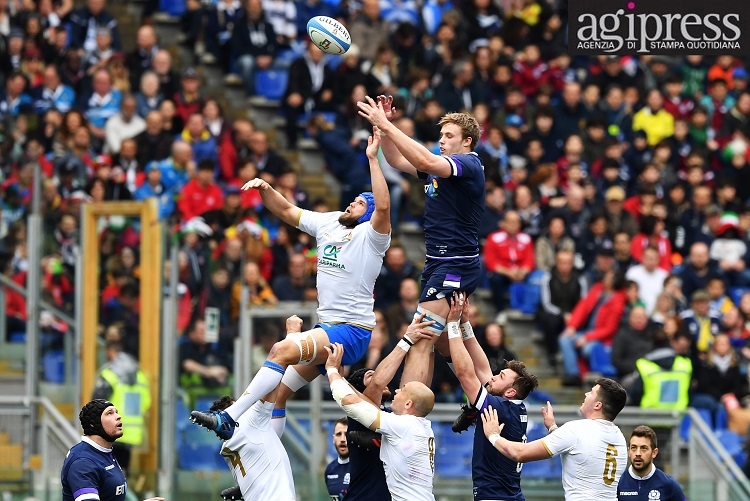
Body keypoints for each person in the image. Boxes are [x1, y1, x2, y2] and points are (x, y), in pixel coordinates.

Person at [190, 127, 391, 439]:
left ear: (369, 217)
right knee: (277, 394)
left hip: (350, 332)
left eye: (361, 204)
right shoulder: (330, 222)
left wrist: (372, 159)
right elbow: (285, 210)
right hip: (329, 328)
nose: (353, 204)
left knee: (280, 350)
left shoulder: (371, 238)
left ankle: (229, 416)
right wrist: (266, 188)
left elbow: (384, 207)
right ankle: (269, 456)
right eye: (354, 200)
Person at [357, 94, 485, 386]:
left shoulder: (468, 164)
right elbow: (396, 159)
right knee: (441, 341)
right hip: (438, 262)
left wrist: (388, 128)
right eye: (441, 134)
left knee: (421, 336)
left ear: (467, 141)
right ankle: (486, 389)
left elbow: (425, 159)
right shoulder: (439, 168)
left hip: (455, 265)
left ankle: (409, 409)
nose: (442, 140)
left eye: (449, 135)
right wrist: (386, 127)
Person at [445, 293, 539, 500]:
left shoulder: (499, 407)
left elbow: (466, 374)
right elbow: (482, 368)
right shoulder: (512, 406)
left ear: (511, 391)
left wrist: (453, 325)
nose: (494, 377)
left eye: (501, 376)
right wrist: (466, 324)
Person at [481, 378, 628, 501]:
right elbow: (582, 450)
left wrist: (493, 435)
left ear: (597, 405)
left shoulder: (576, 429)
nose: (586, 393)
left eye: (591, 392)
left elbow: (520, 453)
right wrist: (553, 428)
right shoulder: (619, 438)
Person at [325, 340, 437, 501]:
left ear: (408, 404)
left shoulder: (400, 425)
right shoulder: (420, 425)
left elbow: (352, 399)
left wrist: (332, 371)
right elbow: (416, 388)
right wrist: (426, 345)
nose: (397, 389)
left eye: (402, 390)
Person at [215, 316, 302, 501]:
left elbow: (274, 431)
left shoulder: (228, 446)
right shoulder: (250, 422)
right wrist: (292, 336)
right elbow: (274, 384)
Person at [61, 399, 163, 501]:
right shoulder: (83, 462)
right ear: (93, 423)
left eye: (116, 412)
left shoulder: (103, 452)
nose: (118, 416)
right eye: (109, 413)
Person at [92, 340, 152, 474]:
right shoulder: (140, 376)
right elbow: (146, 403)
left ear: (112, 353)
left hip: (111, 430)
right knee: (123, 472)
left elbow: (96, 404)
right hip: (132, 433)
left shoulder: (110, 374)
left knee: (107, 474)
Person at [617, 425, 687, 501]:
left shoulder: (668, 484)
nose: (638, 453)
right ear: (628, 452)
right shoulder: (617, 482)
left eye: (644, 448)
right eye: (633, 448)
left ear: (654, 453)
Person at [325, 417, 351, 500]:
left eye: (346, 434)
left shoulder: (363, 467)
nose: (342, 439)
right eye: (339, 434)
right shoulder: (330, 470)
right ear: (333, 439)